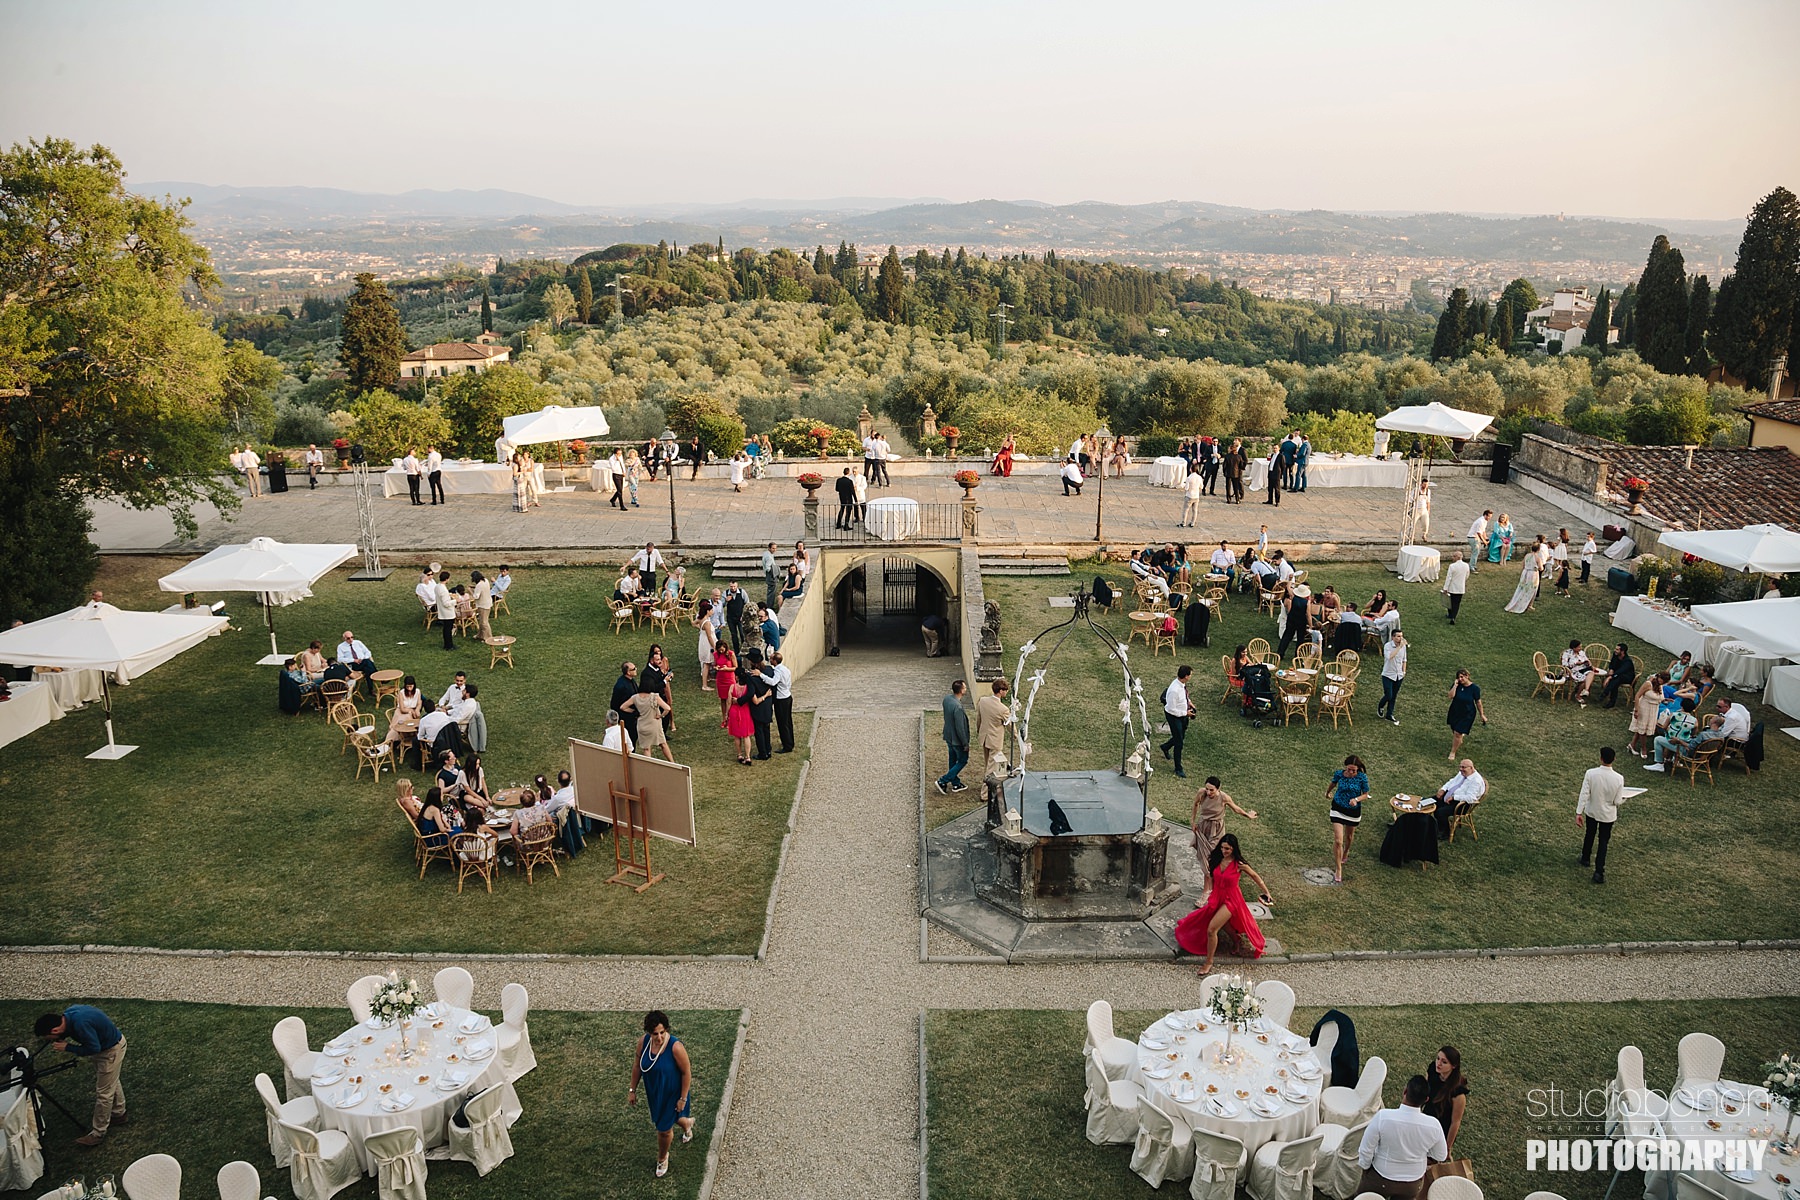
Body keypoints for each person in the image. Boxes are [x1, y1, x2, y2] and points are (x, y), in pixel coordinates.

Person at [1171, 834, 1270, 973]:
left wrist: (1267, 893)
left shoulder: (1239, 864)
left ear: (1234, 849)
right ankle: (1236, 939)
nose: (1224, 851)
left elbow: (1255, 876)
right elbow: (1211, 877)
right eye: (1222, 848)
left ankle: (1209, 962)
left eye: (1227, 849)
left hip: (1232, 899)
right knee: (1222, 923)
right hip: (1217, 896)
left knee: (1211, 929)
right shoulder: (1217, 859)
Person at [36, 1004, 127, 1146]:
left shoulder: (81, 1024)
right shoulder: (70, 1014)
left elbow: (93, 1047)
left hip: (110, 1052)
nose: (51, 1040)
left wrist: (68, 1047)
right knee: (110, 1081)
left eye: (50, 1037)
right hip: (107, 1047)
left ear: (55, 1030)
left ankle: (98, 1133)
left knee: (104, 1094)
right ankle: (119, 1113)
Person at [1358, 1075, 1448, 1199]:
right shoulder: (1434, 1125)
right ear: (1426, 1099)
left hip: (1381, 1176)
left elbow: (1366, 1149)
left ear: (1405, 1091)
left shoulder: (1383, 1117)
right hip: (1412, 1184)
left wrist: (1365, 1168)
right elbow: (1441, 1156)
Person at [629, 1010, 695, 1178]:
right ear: (648, 1033)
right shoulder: (643, 1043)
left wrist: (683, 1098)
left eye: (662, 1032)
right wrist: (632, 1090)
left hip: (673, 1093)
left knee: (664, 1130)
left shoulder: (675, 1047)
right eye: (655, 1033)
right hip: (655, 1092)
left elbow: (686, 1072)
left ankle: (662, 1158)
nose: (659, 1037)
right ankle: (687, 1124)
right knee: (666, 1119)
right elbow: (637, 1066)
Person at [1189, 776, 1257, 879]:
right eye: (1207, 789)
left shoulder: (1224, 797)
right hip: (1203, 825)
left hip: (1217, 828)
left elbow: (1236, 809)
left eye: (1211, 790)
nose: (1208, 792)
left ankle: (1216, 873)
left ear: (1218, 789)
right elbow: (1195, 804)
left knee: (1214, 850)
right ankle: (1208, 875)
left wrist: (1248, 815)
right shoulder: (1201, 793)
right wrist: (1193, 821)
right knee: (1203, 852)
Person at [1578, 746, 1627, 883]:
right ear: (1614, 759)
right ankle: (1599, 872)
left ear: (1601, 759)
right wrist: (1624, 798)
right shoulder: (1618, 778)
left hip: (1592, 810)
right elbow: (1617, 801)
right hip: (1608, 815)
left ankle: (1585, 858)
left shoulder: (1591, 774)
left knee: (1590, 833)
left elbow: (1584, 794)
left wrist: (1578, 812)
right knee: (1603, 841)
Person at [1325, 754, 1369, 884]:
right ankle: (1338, 868)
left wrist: (1356, 799)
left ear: (1358, 769)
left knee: (1349, 837)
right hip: (1337, 808)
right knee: (1338, 840)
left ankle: (1346, 851)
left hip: (1353, 812)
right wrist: (1327, 793)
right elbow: (1333, 783)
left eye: (1353, 770)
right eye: (1349, 769)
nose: (1351, 772)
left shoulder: (1362, 777)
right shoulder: (1339, 774)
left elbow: (1366, 794)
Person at [1430, 757, 1487, 839]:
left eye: (1463, 767)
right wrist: (1443, 789)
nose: (1461, 769)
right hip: (1450, 795)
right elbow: (1452, 781)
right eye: (1460, 767)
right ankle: (1429, 824)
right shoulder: (1462, 773)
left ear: (1471, 768)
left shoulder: (1476, 781)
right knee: (1430, 802)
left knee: (1440, 812)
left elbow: (1471, 798)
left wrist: (1454, 797)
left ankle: (1445, 832)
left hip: (1462, 804)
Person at [1158, 665, 1194, 779]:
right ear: (1186, 676)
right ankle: (1178, 768)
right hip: (1174, 717)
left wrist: (1189, 703)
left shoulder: (1181, 685)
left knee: (1180, 736)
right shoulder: (1174, 690)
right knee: (1179, 742)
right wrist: (1185, 713)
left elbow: (1183, 697)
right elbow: (1171, 709)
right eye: (1190, 675)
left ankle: (1165, 747)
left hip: (1182, 714)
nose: (1191, 676)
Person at [936, 680, 970, 795]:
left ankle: (955, 783)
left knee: (952, 759)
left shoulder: (947, 699)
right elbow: (960, 728)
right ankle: (943, 780)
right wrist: (965, 743)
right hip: (957, 740)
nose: (966, 689)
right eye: (964, 688)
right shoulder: (958, 707)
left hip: (948, 736)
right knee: (962, 760)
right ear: (961, 691)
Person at [1444, 669, 1487, 761]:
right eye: (1458, 677)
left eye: (1462, 677)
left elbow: (1478, 702)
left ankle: (1453, 752)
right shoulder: (1457, 685)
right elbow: (1450, 696)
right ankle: (1459, 739)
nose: (1460, 679)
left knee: (1457, 732)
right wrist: (1455, 686)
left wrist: (1482, 714)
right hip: (1455, 711)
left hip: (1467, 714)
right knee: (1454, 729)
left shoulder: (1474, 688)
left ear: (1467, 676)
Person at [762, 650, 795, 753]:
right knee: (788, 721)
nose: (770, 660)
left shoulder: (778, 671)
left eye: (771, 659)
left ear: (775, 661)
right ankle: (790, 741)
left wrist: (761, 675)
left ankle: (787, 745)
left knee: (782, 723)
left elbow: (773, 682)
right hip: (787, 696)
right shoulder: (786, 669)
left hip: (781, 699)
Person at [1627, 673, 1664, 758]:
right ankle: (1643, 748)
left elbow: (1660, 697)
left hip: (1653, 710)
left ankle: (1632, 744)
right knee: (1643, 730)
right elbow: (1637, 696)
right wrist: (1636, 710)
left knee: (1642, 728)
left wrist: (1665, 700)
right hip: (1644, 708)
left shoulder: (1660, 686)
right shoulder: (1648, 684)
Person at [746, 656, 775, 760]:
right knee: (766, 728)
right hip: (768, 702)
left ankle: (762, 753)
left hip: (758, 704)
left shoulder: (750, 676)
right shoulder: (769, 670)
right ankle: (768, 749)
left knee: (759, 730)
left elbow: (751, 692)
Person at [1377, 631, 1407, 724]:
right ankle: (1381, 706)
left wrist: (1403, 671)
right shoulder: (1388, 646)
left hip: (1399, 675)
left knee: (1394, 696)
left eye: (1401, 636)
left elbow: (1404, 660)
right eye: (1398, 636)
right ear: (1393, 637)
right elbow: (1389, 656)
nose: (1400, 638)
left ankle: (1389, 714)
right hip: (1388, 675)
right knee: (1388, 695)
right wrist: (1399, 647)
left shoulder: (1403, 647)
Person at [1599, 643, 1637, 709]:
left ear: (1622, 651)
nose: (1615, 650)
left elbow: (1621, 671)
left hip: (1627, 677)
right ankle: (1610, 700)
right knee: (1615, 681)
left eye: (1617, 649)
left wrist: (1610, 677)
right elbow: (1612, 663)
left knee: (1616, 679)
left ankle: (1605, 693)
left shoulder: (1627, 661)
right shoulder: (1615, 655)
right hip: (1617, 676)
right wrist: (1611, 669)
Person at [1561, 639, 1594, 704]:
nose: (1580, 648)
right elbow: (1564, 665)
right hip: (1571, 671)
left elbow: (1587, 660)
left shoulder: (1582, 653)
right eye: (1579, 647)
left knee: (1591, 673)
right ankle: (1578, 695)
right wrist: (1575, 663)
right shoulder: (1567, 653)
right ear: (1574, 648)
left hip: (1582, 669)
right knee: (1584, 679)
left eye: (1581, 646)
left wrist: (1588, 663)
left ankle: (1586, 690)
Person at [1440, 552, 1469, 624]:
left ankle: (1450, 614)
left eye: (1453, 556)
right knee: (1456, 603)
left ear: (1457, 557)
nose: (1452, 558)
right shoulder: (1466, 565)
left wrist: (1445, 588)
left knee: (1449, 602)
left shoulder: (1452, 566)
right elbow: (1467, 575)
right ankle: (1453, 617)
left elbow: (1449, 578)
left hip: (1452, 587)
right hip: (1460, 588)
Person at [434, 570, 457, 650]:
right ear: (447, 579)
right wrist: (456, 601)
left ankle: (447, 644)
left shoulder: (437, 586)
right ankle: (449, 645)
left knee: (446, 629)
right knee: (448, 629)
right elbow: (446, 603)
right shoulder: (443, 589)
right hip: (447, 613)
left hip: (442, 611)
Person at [760, 542, 780, 610]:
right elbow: (768, 568)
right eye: (773, 548)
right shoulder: (769, 557)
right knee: (772, 592)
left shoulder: (766, 553)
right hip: (771, 576)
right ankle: (770, 606)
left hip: (769, 575)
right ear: (769, 548)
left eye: (775, 548)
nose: (774, 550)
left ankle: (769, 605)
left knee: (770, 591)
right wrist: (775, 572)